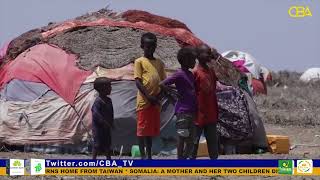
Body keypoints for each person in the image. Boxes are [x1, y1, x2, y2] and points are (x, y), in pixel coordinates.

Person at [160, 47, 197, 159]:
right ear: (186, 60)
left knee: (191, 139)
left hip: (192, 111)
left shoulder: (191, 74)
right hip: (183, 111)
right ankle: (180, 160)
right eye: (193, 59)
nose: (195, 62)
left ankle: (185, 160)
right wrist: (173, 94)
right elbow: (162, 84)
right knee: (182, 136)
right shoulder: (179, 74)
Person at [134, 32, 166, 159]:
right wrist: (148, 96)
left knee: (150, 132)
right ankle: (142, 156)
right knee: (142, 131)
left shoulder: (160, 63)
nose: (150, 49)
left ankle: (149, 156)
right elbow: (138, 81)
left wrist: (158, 97)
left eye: (152, 47)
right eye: (147, 47)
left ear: (155, 47)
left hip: (156, 102)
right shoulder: (139, 61)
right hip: (144, 101)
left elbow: (164, 82)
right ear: (142, 46)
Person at [191, 44, 220, 159]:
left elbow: (225, 73)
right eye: (206, 53)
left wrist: (216, 58)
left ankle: (214, 167)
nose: (208, 55)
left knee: (213, 142)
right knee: (194, 142)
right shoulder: (195, 73)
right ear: (198, 56)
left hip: (211, 113)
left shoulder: (212, 72)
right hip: (198, 114)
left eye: (209, 53)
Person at [91, 77, 114, 159]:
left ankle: (109, 160)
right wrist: (103, 122)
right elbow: (95, 113)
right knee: (97, 144)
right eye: (109, 86)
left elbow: (111, 112)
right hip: (98, 127)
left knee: (107, 144)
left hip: (107, 127)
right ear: (102, 88)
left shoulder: (109, 100)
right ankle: (93, 160)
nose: (111, 88)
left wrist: (111, 122)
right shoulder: (98, 101)